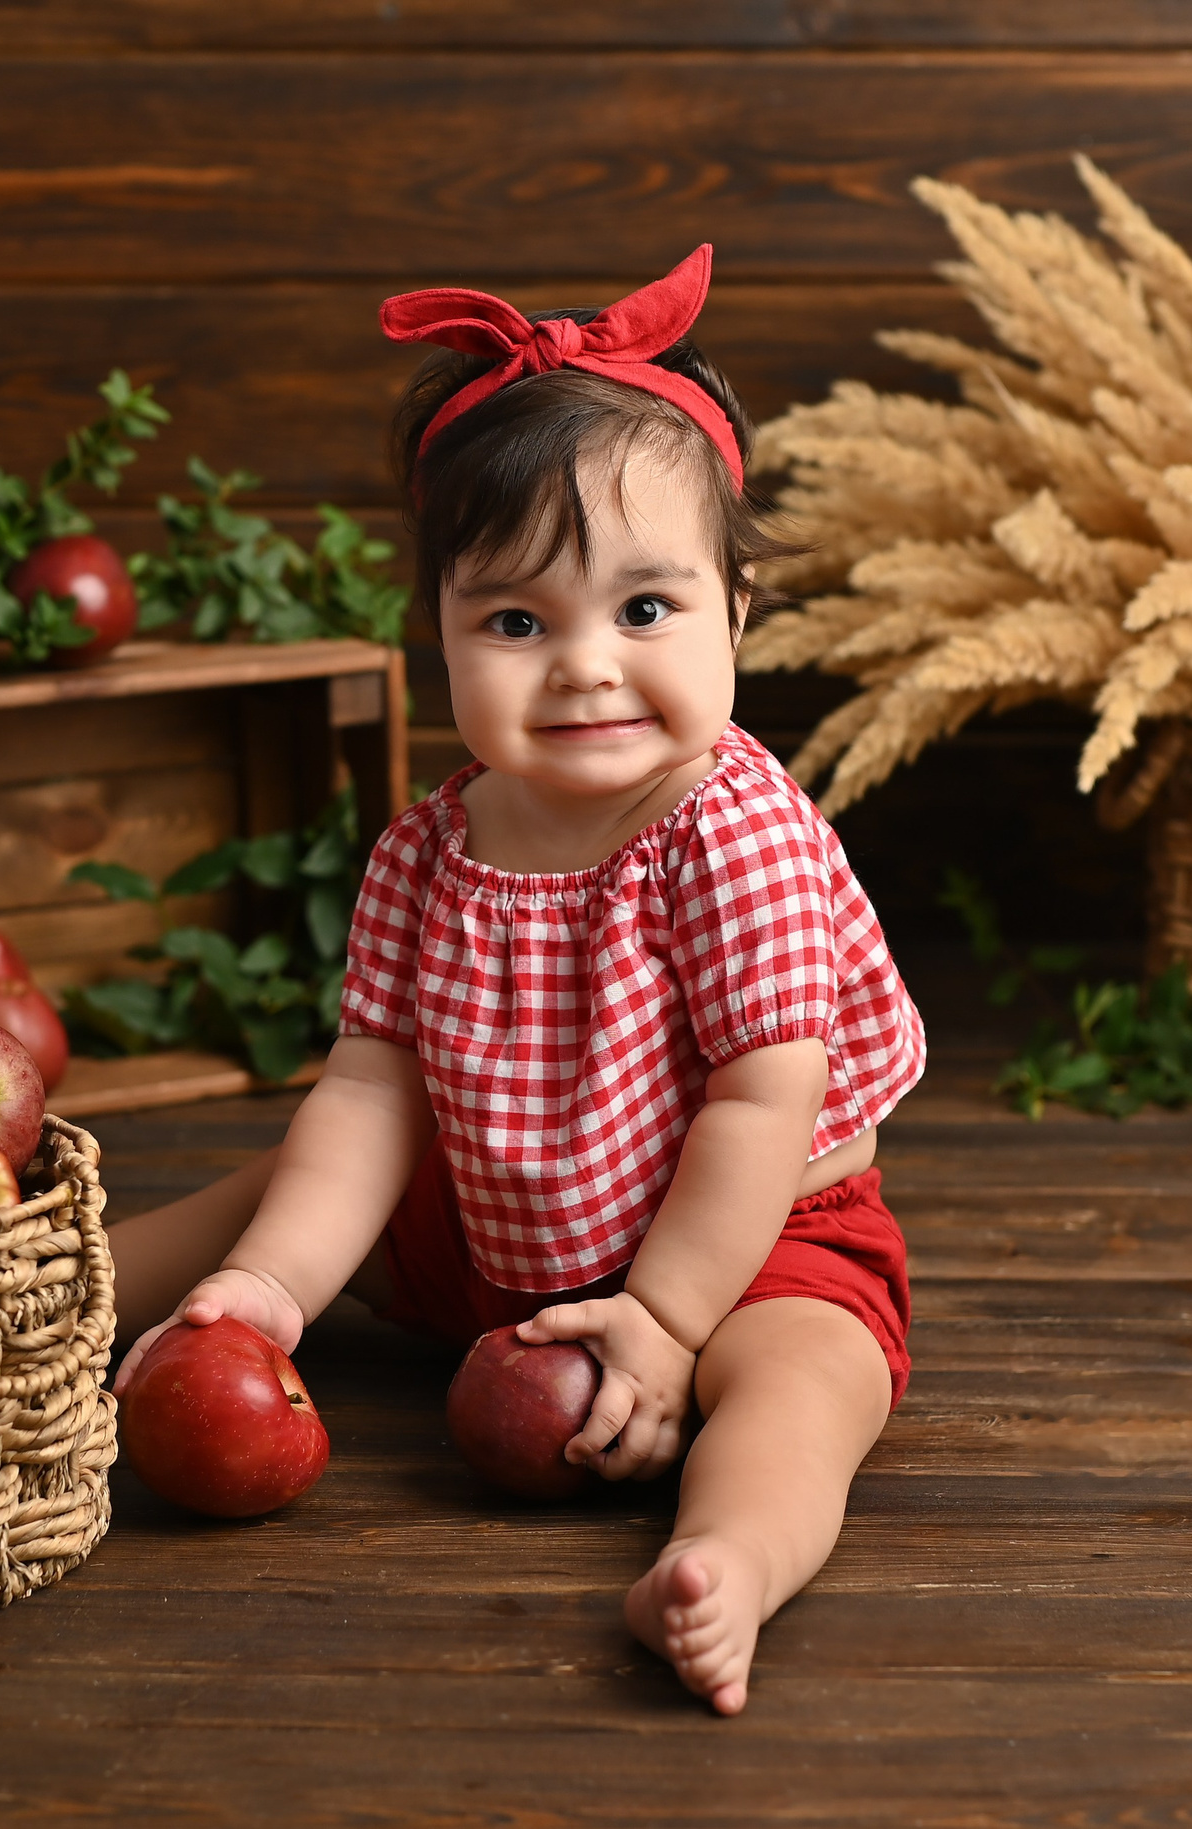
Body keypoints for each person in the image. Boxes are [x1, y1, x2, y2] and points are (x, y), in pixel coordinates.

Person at [109, 246, 927, 1716]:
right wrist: (279, 1285)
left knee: (804, 1380)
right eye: (516, 621)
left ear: (739, 606)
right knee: (295, 1181)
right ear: (438, 632)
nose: (587, 668)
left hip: (746, 1236)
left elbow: (763, 1093)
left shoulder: (729, 828)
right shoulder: (431, 848)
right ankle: (82, 1284)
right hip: (499, 1219)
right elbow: (374, 1087)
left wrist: (671, 1319)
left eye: (646, 610)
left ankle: (731, 1556)